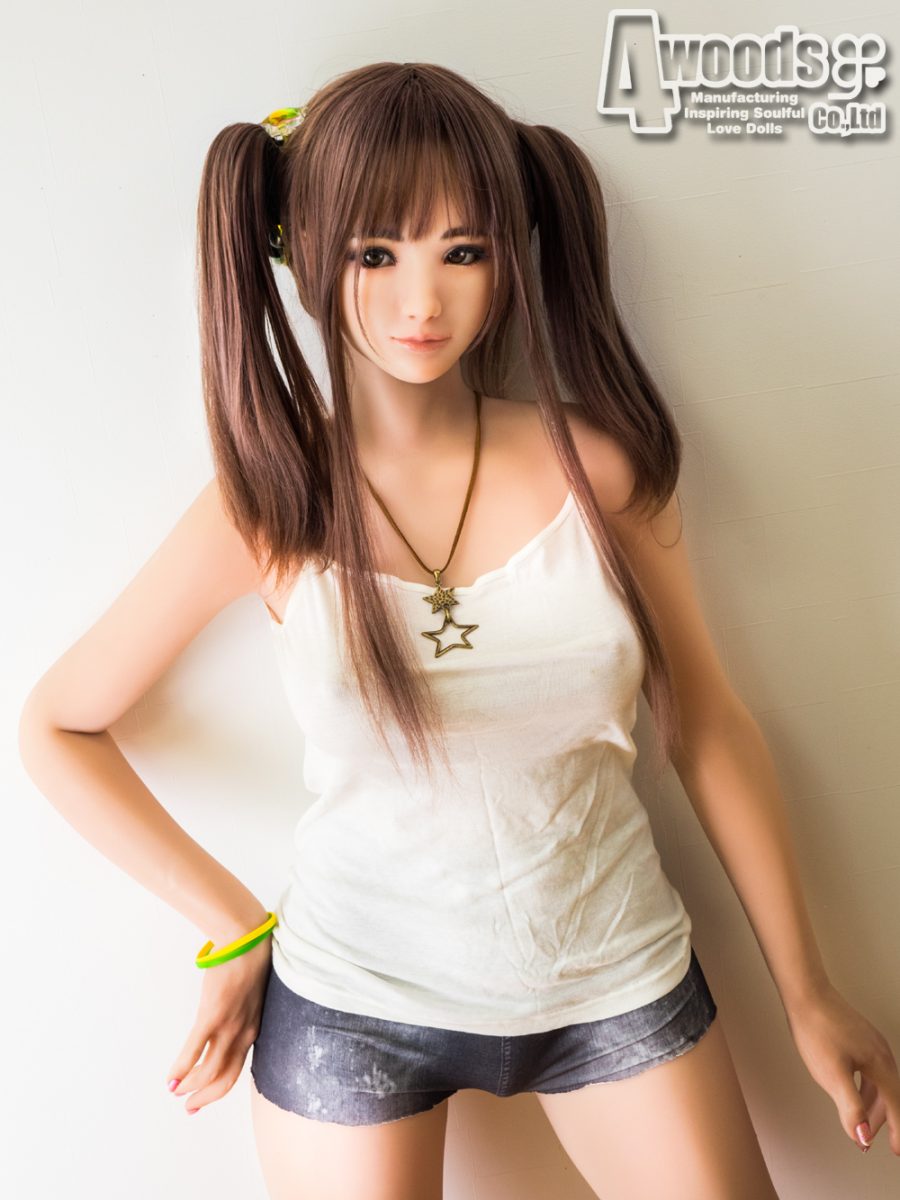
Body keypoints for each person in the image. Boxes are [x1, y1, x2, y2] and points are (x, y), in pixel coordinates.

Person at [18, 61, 899, 1200]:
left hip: (614, 975)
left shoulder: (603, 470)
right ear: (303, 251)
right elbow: (59, 726)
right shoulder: (270, 503)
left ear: (509, 257)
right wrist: (229, 925)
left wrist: (808, 992)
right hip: (353, 1001)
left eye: (463, 251)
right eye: (374, 254)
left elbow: (709, 725)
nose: (422, 302)